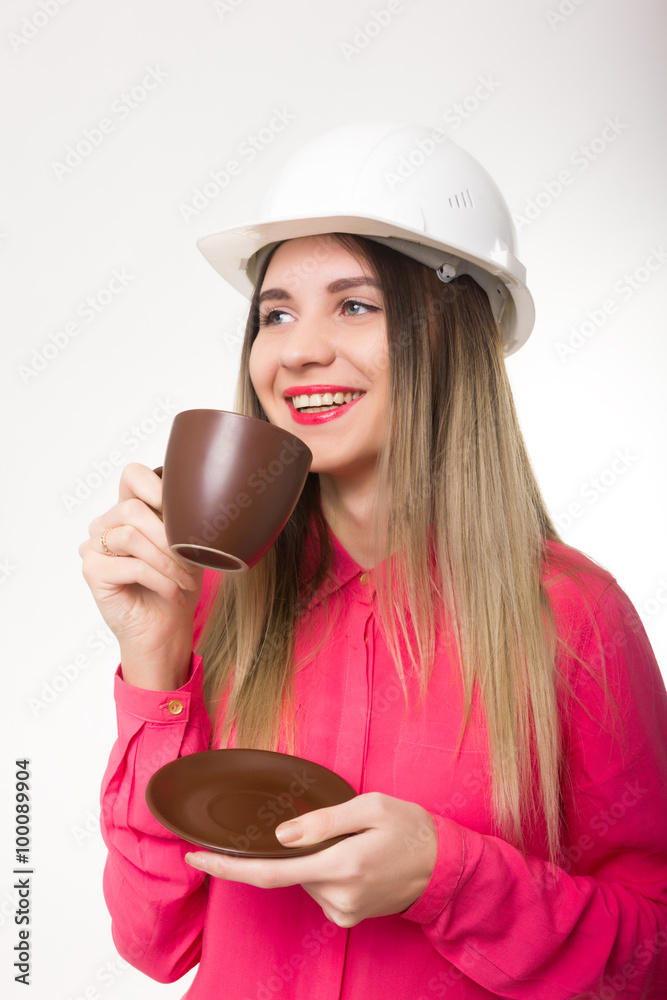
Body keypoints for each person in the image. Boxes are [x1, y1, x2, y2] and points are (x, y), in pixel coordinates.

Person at [80, 121, 667, 1000]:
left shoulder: (574, 616)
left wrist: (449, 877)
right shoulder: (212, 603)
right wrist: (151, 659)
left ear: (447, 337)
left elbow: (650, 950)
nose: (297, 350)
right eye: (275, 313)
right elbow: (153, 940)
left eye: (353, 304)